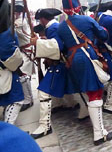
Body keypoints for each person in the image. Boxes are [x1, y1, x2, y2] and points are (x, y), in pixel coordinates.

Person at [30, 0, 112, 146]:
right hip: (87, 57)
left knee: (85, 89)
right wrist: (98, 27)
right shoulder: (86, 20)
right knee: (95, 93)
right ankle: (99, 134)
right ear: (77, 6)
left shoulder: (61, 26)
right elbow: (103, 36)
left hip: (72, 60)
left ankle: (85, 113)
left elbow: (61, 46)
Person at [30, 8, 67, 139]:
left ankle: (45, 126)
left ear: (43, 19)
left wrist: (38, 42)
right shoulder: (55, 27)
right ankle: (72, 106)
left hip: (60, 64)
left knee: (44, 92)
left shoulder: (52, 28)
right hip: (62, 63)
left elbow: (58, 46)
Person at [0, 0, 24, 124]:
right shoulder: (5, 34)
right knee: (16, 100)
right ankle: (9, 132)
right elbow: (11, 59)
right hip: (6, 70)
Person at [14, 1, 35, 112]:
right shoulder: (19, 21)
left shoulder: (19, 22)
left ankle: (28, 100)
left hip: (26, 50)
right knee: (24, 76)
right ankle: (28, 98)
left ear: (18, 13)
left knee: (24, 76)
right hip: (24, 50)